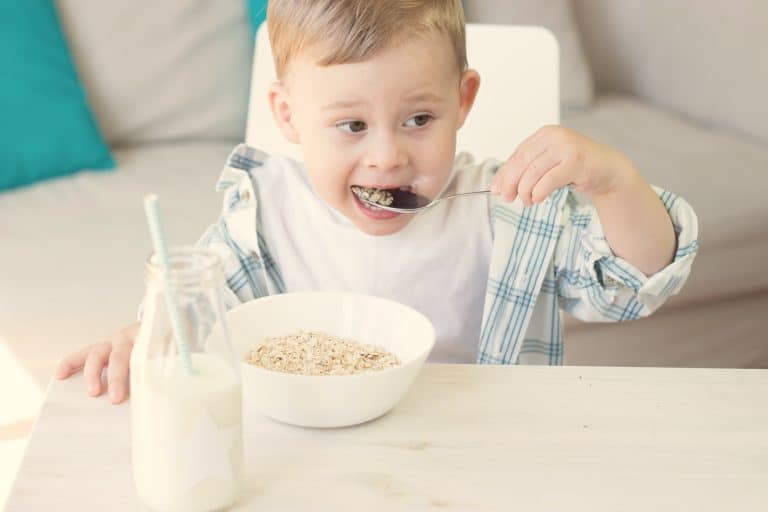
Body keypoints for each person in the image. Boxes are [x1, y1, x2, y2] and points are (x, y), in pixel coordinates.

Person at [55, 0, 699, 404]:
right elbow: (199, 305)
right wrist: (152, 332)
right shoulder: (266, 210)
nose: (388, 158)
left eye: (419, 119)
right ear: (288, 115)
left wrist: (616, 182)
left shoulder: (508, 210)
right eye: (352, 126)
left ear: (464, 101)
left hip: (483, 455)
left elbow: (627, 286)